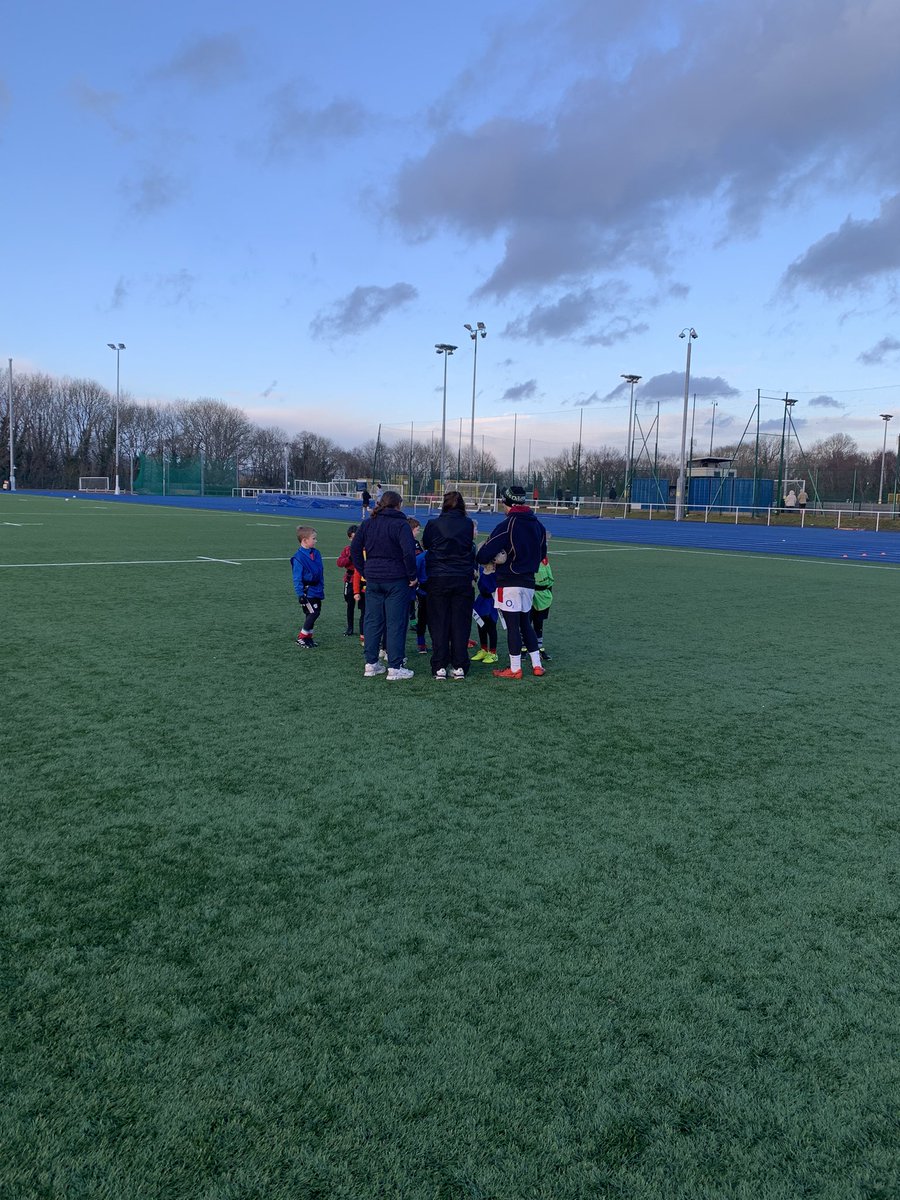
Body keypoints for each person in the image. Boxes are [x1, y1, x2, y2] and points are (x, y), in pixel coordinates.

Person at [476, 485, 546, 679]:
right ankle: (537, 665)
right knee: (525, 623)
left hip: (509, 582)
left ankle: (515, 669)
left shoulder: (507, 524)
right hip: (529, 582)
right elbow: (543, 553)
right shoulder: (537, 525)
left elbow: (483, 554)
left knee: (513, 625)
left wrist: (493, 559)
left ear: (505, 502)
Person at [350, 490, 417, 681]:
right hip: (396, 579)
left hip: (374, 579)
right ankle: (395, 666)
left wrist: (364, 570)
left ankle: (371, 664)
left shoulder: (369, 523)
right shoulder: (401, 524)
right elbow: (408, 552)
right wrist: (412, 575)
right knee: (395, 623)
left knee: (372, 621)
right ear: (398, 504)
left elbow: (355, 548)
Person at [422, 490, 476, 680]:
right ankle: (459, 665)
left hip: (438, 578)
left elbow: (426, 544)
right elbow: (469, 545)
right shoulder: (468, 524)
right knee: (460, 623)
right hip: (462, 578)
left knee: (438, 623)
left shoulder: (433, 524)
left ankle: (439, 666)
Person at [291, 526, 324, 648]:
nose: (316, 541)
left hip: (317, 589)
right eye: (313, 538)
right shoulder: (298, 557)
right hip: (307, 591)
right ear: (304, 540)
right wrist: (300, 594)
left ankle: (308, 638)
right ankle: (302, 637)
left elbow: (320, 571)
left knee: (313, 612)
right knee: (313, 613)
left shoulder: (316, 553)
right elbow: (297, 577)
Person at [530, 540, 554, 660]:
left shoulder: (545, 561)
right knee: (526, 624)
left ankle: (539, 648)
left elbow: (550, 580)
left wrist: (549, 592)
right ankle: (524, 648)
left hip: (543, 597)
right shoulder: (529, 560)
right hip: (530, 596)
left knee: (539, 624)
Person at [471, 563, 499, 664]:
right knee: (480, 625)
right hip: (482, 599)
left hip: (491, 600)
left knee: (491, 626)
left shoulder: (496, 569)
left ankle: (493, 652)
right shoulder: (482, 568)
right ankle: (483, 649)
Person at [336, 525, 360, 636]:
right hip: (350, 580)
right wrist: (349, 559)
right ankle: (350, 627)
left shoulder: (365, 549)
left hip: (362, 580)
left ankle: (364, 629)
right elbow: (339, 563)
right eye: (352, 538)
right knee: (349, 603)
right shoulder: (347, 550)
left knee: (365, 605)